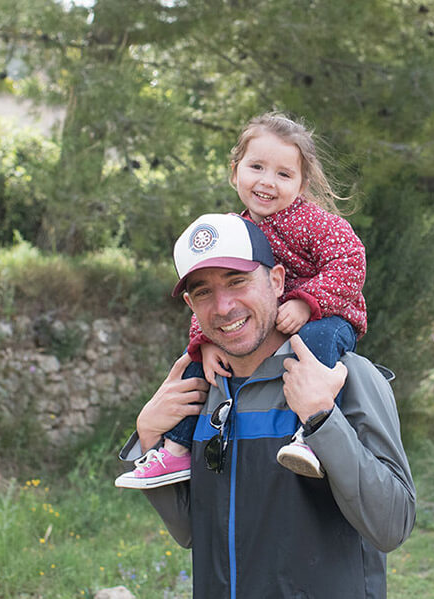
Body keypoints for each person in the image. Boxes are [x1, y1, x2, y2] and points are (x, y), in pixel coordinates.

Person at [118, 213, 415, 598]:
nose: (223, 306)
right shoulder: (202, 395)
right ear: (191, 304)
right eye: (203, 292)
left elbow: (392, 526)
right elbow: (192, 531)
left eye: (237, 281)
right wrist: (150, 440)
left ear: (276, 281)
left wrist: (322, 420)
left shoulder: (348, 378)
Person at [115, 112, 366, 488]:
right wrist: (203, 341)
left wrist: (306, 301)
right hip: (267, 320)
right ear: (235, 172)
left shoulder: (316, 222)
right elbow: (213, 291)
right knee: (196, 368)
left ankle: (311, 435)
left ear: (302, 182)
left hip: (328, 316)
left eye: (284, 174)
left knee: (314, 344)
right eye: (257, 167)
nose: (267, 182)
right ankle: (175, 451)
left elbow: (350, 263)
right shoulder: (232, 229)